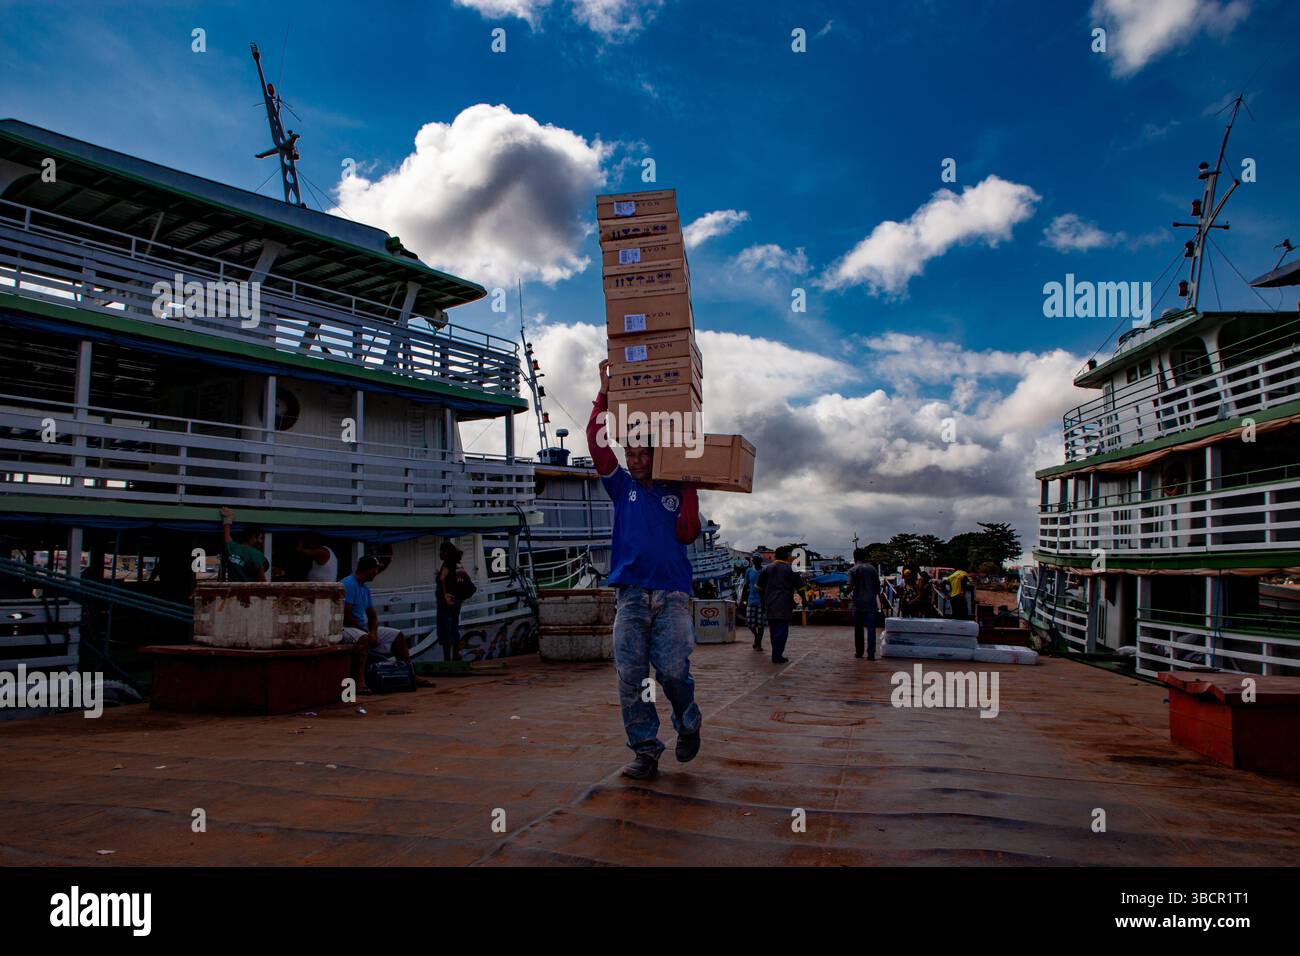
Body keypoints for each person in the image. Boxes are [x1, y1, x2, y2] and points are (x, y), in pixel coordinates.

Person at [587, 359, 702, 781]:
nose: (634, 461)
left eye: (642, 455)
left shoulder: (677, 488)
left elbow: (688, 533)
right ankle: (646, 749)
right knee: (631, 675)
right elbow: (596, 443)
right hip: (631, 595)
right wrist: (604, 393)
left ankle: (688, 721)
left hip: (672, 594)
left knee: (672, 670)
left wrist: (689, 483)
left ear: (658, 456)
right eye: (630, 454)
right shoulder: (622, 488)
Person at [340, 555, 412, 686]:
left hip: (362, 627)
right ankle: (359, 680)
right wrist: (367, 634)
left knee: (398, 636)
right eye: (376, 569)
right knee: (364, 639)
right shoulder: (348, 583)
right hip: (346, 627)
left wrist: (373, 632)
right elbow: (347, 615)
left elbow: (372, 614)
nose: (377, 573)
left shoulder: (365, 588)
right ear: (369, 569)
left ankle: (410, 673)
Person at [757, 546, 800, 664]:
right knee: (782, 630)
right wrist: (805, 600)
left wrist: (762, 602)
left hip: (770, 604)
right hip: (784, 604)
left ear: (775, 556)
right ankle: (777, 654)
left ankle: (776, 653)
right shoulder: (791, 569)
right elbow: (800, 587)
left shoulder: (766, 570)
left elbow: (759, 588)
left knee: (773, 630)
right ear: (786, 557)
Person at [436, 541, 472, 662]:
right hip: (456, 600)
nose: (439, 553)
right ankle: (456, 656)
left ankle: (447, 659)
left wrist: (445, 595)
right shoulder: (457, 564)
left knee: (445, 628)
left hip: (447, 602)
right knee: (454, 628)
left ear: (445, 552)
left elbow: (441, 579)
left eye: (441, 551)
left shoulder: (447, 564)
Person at [847, 547, 880, 660]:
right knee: (871, 629)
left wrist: (844, 592)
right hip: (871, 602)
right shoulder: (873, 569)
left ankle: (859, 652)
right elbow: (877, 587)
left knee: (858, 629)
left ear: (855, 557)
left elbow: (850, 587)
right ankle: (871, 654)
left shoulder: (853, 570)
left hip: (858, 603)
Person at [218, 506, 268, 582]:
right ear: (254, 537)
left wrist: (227, 517)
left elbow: (227, 533)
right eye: (260, 538)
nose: (261, 542)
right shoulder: (257, 555)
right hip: (248, 592)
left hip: (232, 591)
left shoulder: (232, 548)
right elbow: (262, 580)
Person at [743, 555, 766, 650]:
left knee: (760, 623)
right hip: (751, 599)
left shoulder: (764, 571)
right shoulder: (749, 571)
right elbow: (745, 585)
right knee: (750, 623)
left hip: (762, 600)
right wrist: (743, 600)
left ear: (760, 561)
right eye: (754, 559)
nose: (755, 561)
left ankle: (759, 644)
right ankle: (757, 638)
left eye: (757, 559)